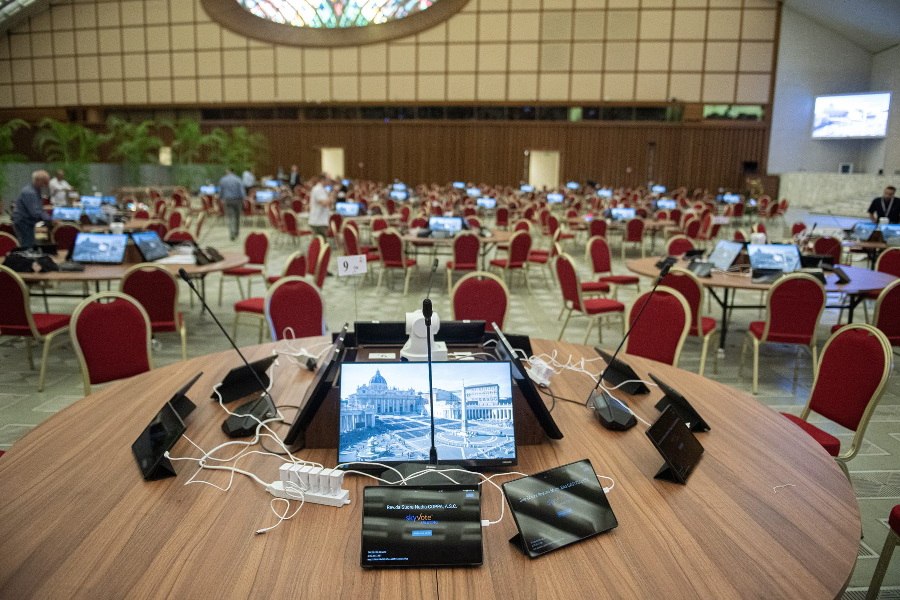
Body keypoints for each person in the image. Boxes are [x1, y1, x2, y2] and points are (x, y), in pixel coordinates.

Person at [12, 170, 52, 249]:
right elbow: (35, 212)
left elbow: (40, 208)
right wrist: (50, 219)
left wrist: (49, 217)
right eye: (45, 182)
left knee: (30, 243)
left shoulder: (37, 190)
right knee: (27, 245)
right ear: (38, 180)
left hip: (28, 221)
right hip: (23, 222)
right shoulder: (29, 192)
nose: (47, 184)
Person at [218, 168, 246, 241]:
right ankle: (236, 233)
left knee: (231, 217)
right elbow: (242, 192)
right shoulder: (238, 179)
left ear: (228, 171)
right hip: (237, 200)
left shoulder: (223, 180)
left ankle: (232, 233)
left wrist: (220, 198)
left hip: (228, 200)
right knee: (237, 217)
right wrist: (243, 199)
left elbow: (221, 191)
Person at [308, 173, 333, 238]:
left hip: (322, 221)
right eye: (329, 179)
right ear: (323, 179)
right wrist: (332, 194)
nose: (330, 181)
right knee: (320, 244)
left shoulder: (323, 189)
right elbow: (324, 204)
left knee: (322, 243)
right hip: (318, 222)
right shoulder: (318, 189)